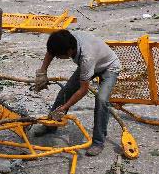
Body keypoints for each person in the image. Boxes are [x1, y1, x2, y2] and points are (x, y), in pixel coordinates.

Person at [33, 29, 121, 157]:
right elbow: (51, 51)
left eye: (59, 56)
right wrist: (42, 71)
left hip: (109, 67)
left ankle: (98, 142)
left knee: (101, 100)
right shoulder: (67, 38)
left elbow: (83, 90)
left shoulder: (86, 58)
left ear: (69, 51)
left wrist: (64, 108)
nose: (57, 57)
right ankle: (51, 126)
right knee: (66, 91)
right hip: (93, 61)